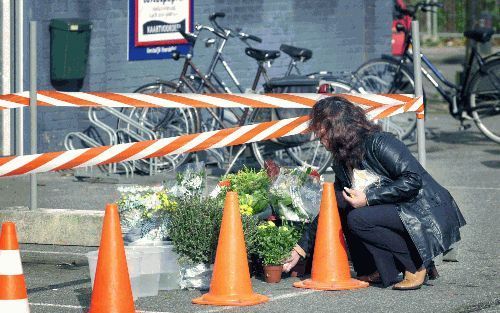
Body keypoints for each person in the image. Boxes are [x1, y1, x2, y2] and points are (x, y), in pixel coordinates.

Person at [282, 96, 466, 290]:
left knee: (358, 218)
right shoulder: (341, 160)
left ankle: (415, 264)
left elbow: (412, 180)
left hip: (425, 208)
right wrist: (300, 248)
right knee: (345, 205)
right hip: (401, 208)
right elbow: (334, 204)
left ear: (336, 127)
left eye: (321, 131)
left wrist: (369, 198)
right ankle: (376, 269)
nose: (319, 139)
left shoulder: (379, 142)